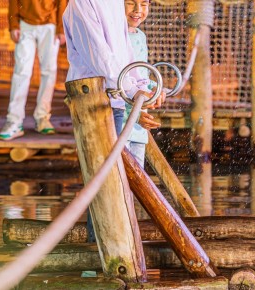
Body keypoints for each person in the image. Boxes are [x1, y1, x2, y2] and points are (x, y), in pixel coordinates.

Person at [63, 0, 163, 243]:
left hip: (117, 100)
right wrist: (133, 93)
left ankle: (120, 250)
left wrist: (143, 88)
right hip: (94, 103)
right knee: (105, 187)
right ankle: (97, 261)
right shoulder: (81, 4)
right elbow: (101, 59)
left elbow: (125, 55)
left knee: (118, 185)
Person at [0, 0, 66, 140]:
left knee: (49, 72)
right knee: (21, 72)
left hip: (50, 24)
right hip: (25, 24)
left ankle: (42, 117)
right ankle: (14, 120)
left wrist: (61, 28)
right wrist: (14, 24)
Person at [122, 0, 162, 166]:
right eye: (131, 3)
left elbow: (139, 75)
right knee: (120, 182)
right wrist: (133, 116)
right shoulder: (114, 37)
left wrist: (157, 88)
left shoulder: (140, 35)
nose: (138, 10)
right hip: (120, 125)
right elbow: (115, 81)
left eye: (144, 4)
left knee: (137, 179)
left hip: (139, 125)